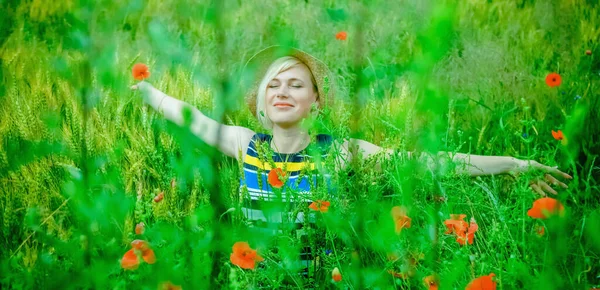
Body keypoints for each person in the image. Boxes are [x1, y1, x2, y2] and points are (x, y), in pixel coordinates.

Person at [131, 46, 572, 285]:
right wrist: (144, 90)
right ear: (262, 101)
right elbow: (192, 117)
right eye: (274, 84)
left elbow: (428, 163)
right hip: (257, 279)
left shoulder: (341, 153)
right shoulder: (246, 145)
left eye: (296, 84)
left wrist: (513, 163)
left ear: (315, 101)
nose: (282, 91)